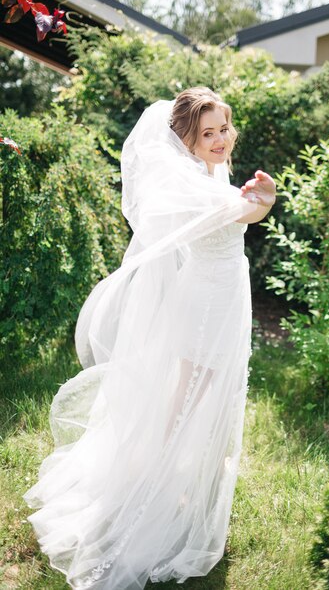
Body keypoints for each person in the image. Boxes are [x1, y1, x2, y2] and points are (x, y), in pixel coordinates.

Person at [24, 86, 276, 589]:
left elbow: (238, 210)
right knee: (188, 402)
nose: (221, 139)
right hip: (208, 306)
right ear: (187, 139)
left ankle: (184, 490)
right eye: (208, 133)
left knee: (197, 400)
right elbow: (242, 213)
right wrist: (263, 201)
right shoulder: (191, 186)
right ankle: (154, 499)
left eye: (224, 127)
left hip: (220, 297)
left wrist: (253, 199)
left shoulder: (209, 176)